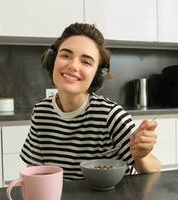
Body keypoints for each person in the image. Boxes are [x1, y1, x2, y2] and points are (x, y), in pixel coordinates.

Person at [20, 23, 161, 180]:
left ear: (98, 74)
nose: (73, 66)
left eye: (86, 62)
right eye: (65, 55)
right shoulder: (41, 112)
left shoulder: (110, 115)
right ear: (52, 60)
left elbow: (154, 168)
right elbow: (35, 170)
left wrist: (141, 157)